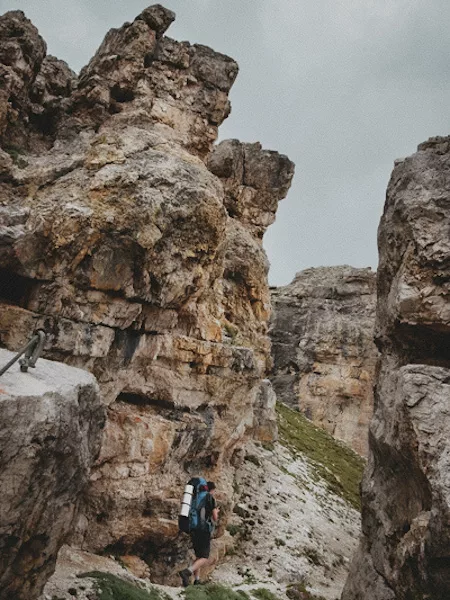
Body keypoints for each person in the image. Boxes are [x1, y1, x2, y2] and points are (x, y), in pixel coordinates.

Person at [179, 481, 220, 587]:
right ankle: (187, 572)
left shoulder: (196, 498)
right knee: (204, 557)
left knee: (199, 556)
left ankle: (197, 580)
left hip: (193, 529)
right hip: (203, 530)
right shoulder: (210, 498)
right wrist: (215, 512)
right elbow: (215, 517)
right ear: (211, 490)